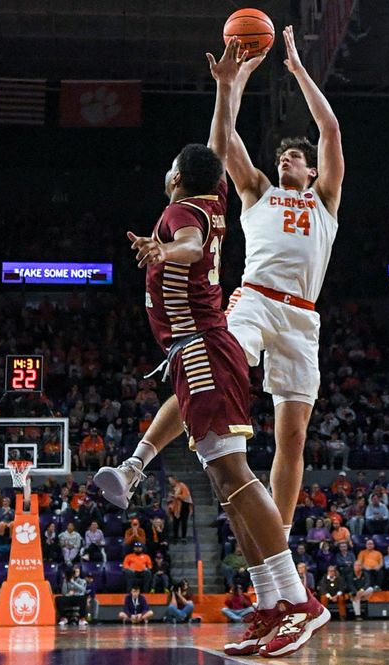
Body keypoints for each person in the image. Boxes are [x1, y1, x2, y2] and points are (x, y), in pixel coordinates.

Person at [96, 34, 333, 657]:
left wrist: (163, 251)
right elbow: (217, 146)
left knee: (233, 472)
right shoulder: (217, 195)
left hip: (209, 345)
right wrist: (227, 86)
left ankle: (297, 601)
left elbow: (194, 246)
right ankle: (273, 602)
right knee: (225, 482)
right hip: (217, 336)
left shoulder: (182, 217)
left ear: (173, 177)